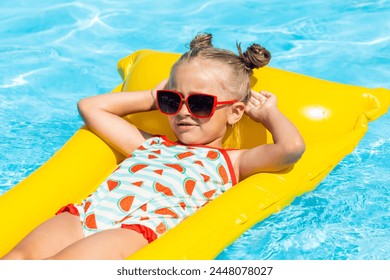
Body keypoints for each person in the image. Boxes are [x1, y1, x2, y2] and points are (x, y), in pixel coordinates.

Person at [2, 33, 305, 260]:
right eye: (173, 100)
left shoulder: (232, 162)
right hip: (85, 213)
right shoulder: (148, 144)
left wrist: (269, 115)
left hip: (132, 230)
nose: (183, 112)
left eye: (200, 103)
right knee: (16, 261)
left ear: (235, 112)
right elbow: (90, 108)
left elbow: (290, 148)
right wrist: (151, 96)